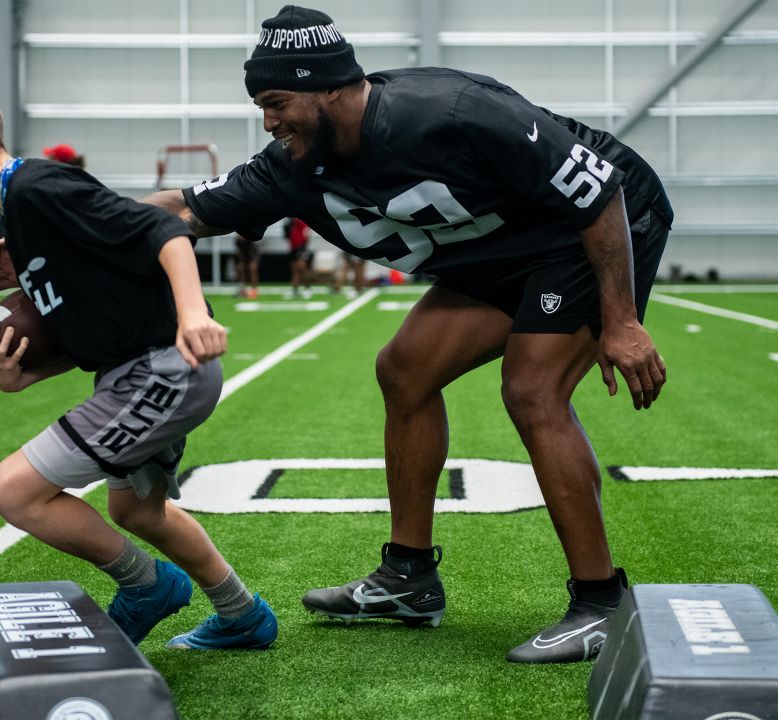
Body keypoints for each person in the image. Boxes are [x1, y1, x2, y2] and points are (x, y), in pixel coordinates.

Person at [144, 6, 673, 664]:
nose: (268, 121)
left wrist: (621, 321)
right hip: (504, 248)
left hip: (592, 226)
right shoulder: (291, 166)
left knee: (532, 389)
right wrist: (56, 227)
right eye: (261, 105)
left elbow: (600, 192)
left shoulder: (454, 112)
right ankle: (409, 578)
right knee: (405, 369)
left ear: (331, 87)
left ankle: (601, 605)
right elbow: (183, 208)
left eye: (277, 102)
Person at [0, 81, 277, 651]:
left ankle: (145, 586)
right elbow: (95, 329)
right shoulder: (23, 214)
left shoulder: (37, 188)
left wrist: (193, 313)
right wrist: (22, 377)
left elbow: (165, 228)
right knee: (137, 511)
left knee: (13, 491)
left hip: (166, 368)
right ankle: (242, 614)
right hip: (139, 369)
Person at [283, 217, 312, 299]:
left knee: (302, 268)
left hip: (301, 248)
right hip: (293, 248)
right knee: (294, 270)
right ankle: (295, 290)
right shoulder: (289, 223)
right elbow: (287, 236)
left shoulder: (299, 220)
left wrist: (305, 247)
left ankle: (307, 288)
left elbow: (307, 233)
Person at [234, 233, 260, 299]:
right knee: (240, 269)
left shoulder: (251, 239)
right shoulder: (238, 241)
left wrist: (253, 261)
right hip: (244, 256)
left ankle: (254, 290)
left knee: (252, 269)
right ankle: (242, 289)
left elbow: (254, 251)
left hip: (253, 254)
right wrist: (241, 262)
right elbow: (240, 252)